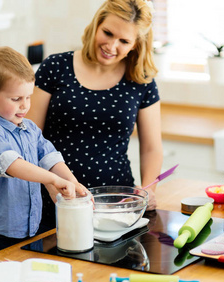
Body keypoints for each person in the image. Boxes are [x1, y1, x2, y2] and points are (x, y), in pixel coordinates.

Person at [31, 0, 163, 231]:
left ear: (135, 44)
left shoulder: (141, 80)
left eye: (124, 41)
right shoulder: (55, 67)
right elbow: (30, 139)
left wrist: (149, 189)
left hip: (117, 207)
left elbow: (152, 147)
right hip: (56, 200)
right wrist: (48, 181)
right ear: (96, 25)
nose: (112, 46)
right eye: (108, 33)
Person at [0, 46, 86, 256]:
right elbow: (13, 165)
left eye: (28, 97)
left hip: (32, 229)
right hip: (0, 233)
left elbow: (50, 157)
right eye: (16, 99)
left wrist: (73, 182)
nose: (24, 106)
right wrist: (53, 180)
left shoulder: (30, 128)